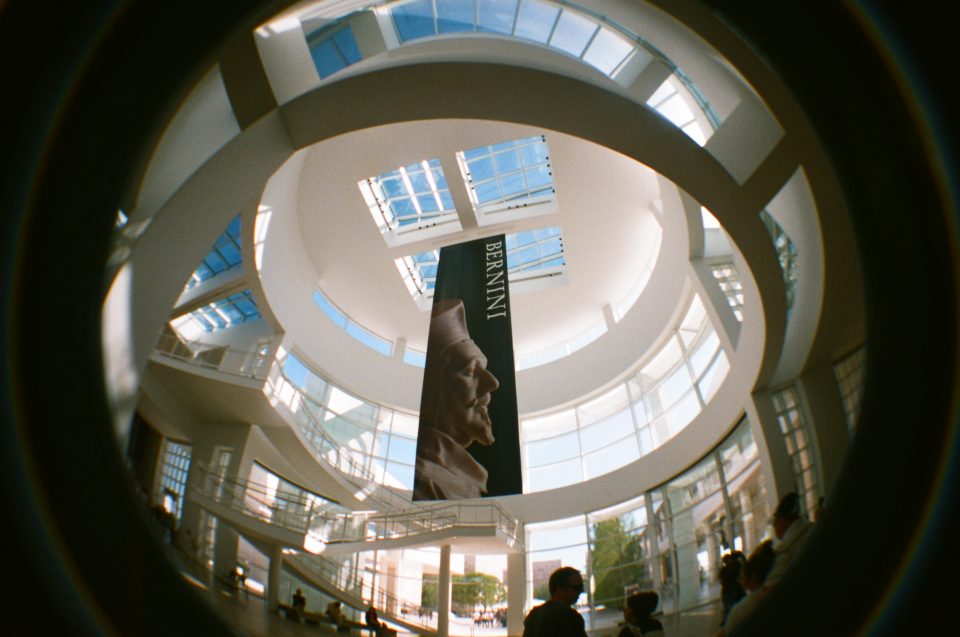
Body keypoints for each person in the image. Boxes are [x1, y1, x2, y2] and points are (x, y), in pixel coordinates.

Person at [413, 299, 500, 500]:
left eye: (484, 370)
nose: (492, 383)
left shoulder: (463, 477)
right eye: (470, 371)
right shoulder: (426, 483)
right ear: (436, 386)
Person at [718, 540, 776, 635]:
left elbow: (726, 632)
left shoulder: (739, 611)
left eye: (742, 577)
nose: (739, 580)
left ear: (752, 577)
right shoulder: (772, 592)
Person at [764, 492, 814, 587]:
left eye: (775, 521)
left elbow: (772, 587)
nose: (774, 526)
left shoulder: (785, 550)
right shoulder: (813, 528)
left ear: (783, 520)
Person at [522, 566, 588, 637]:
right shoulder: (571, 617)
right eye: (576, 588)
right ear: (560, 589)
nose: (580, 591)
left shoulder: (534, 615)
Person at [718, 550, 746, 623]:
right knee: (731, 606)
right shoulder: (735, 566)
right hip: (731, 589)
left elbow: (721, 579)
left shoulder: (732, 567)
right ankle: (728, 620)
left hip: (730, 590)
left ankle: (728, 620)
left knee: (730, 606)